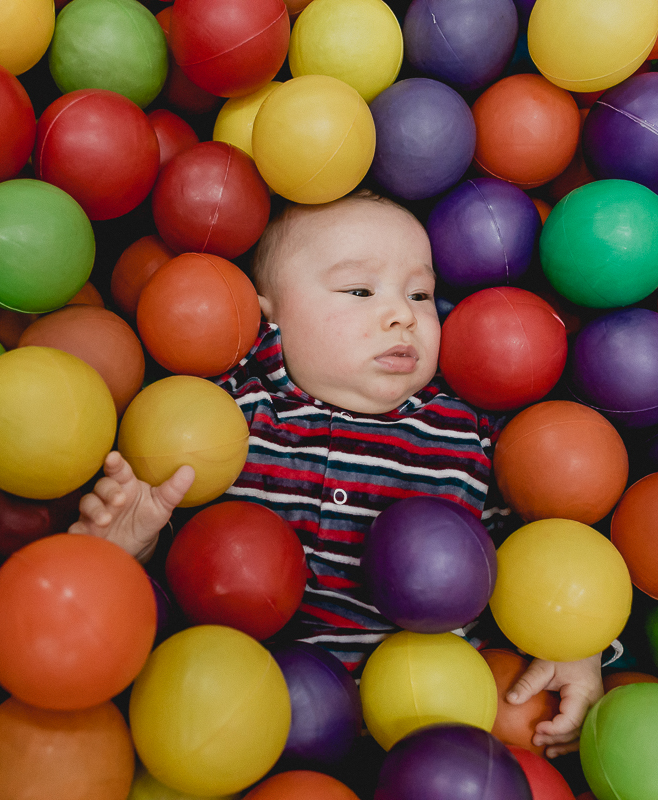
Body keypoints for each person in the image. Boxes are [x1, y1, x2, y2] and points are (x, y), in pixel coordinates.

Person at [70, 190, 604, 758]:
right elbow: (182, 565)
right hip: (229, 718)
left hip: (425, 727)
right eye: (359, 291)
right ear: (267, 315)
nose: (403, 315)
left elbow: (536, 560)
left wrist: (574, 641)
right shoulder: (228, 417)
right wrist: (133, 545)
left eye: (420, 294)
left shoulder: (470, 436)